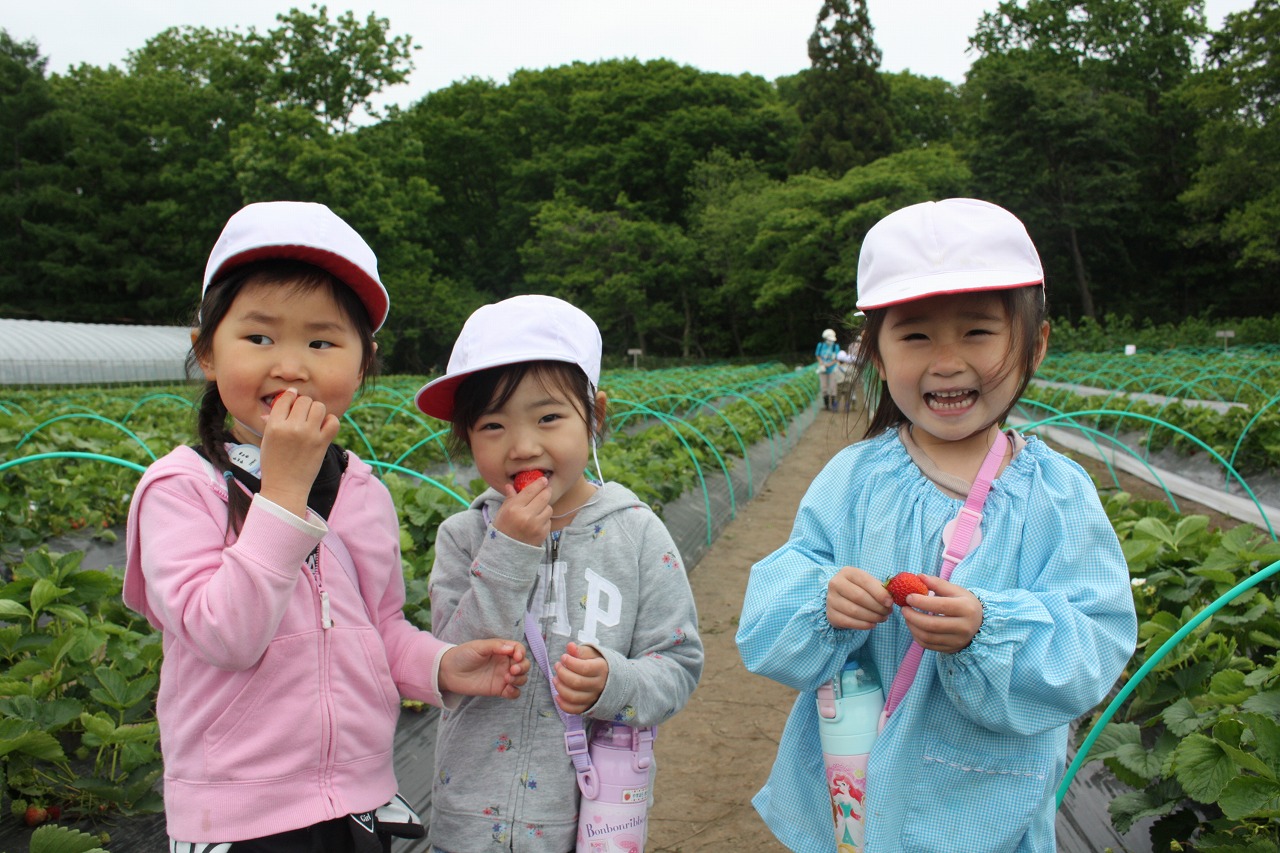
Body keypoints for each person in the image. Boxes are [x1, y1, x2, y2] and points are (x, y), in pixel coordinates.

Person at [123, 201, 531, 853]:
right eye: (259, 338)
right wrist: (283, 494)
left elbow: (382, 628)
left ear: (363, 360)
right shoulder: (182, 488)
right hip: (239, 815)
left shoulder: (361, 488)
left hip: (357, 798)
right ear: (206, 351)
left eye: (321, 341)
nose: (291, 365)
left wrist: (444, 664)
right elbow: (226, 634)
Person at [736, 198, 1137, 852]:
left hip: (987, 811)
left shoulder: (1058, 496)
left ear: (1033, 342)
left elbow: (1096, 639)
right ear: (876, 352)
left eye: (978, 332)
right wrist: (823, 599)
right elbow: (767, 614)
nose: (946, 362)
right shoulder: (855, 478)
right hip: (855, 798)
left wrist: (989, 626)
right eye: (916, 336)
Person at [414, 294, 704, 852]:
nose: (523, 447)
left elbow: (679, 662)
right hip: (467, 820)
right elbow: (446, 660)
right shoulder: (462, 536)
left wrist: (614, 684)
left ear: (594, 416)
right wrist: (507, 550)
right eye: (492, 425)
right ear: (466, 435)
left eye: (548, 417)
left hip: (590, 819)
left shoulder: (637, 534)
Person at [815, 327, 841, 412]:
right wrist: (822, 363)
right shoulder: (820, 345)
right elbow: (818, 355)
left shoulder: (835, 347)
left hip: (832, 369)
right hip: (823, 369)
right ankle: (826, 405)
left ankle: (833, 405)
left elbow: (836, 358)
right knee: (824, 387)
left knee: (833, 387)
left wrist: (829, 364)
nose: (830, 341)